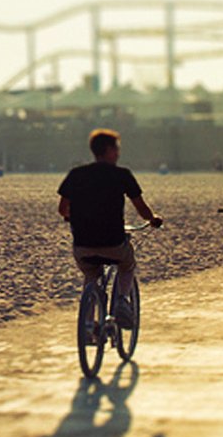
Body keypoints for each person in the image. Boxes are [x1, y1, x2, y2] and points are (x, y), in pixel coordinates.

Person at [57, 129, 163, 330]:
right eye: (116, 149)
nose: (118, 153)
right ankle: (122, 300)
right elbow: (141, 208)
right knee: (127, 264)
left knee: (91, 275)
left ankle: (88, 324)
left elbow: (62, 209)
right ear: (108, 150)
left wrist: (72, 217)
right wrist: (153, 219)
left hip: (82, 246)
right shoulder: (122, 175)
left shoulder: (76, 174)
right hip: (113, 243)